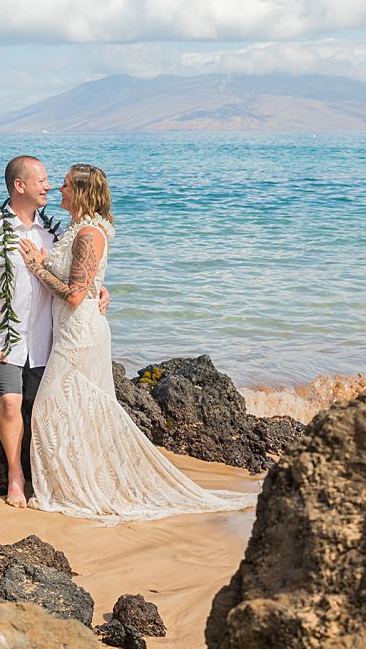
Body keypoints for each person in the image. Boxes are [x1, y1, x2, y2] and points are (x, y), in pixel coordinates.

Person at [17, 163, 258, 523]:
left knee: (53, 406)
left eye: (65, 185)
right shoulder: (76, 229)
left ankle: (80, 486)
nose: (57, 190)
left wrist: (38, 267)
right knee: (72, 408)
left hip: (80, 333)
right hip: (70, 330)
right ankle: (76, 481)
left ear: (81, 192)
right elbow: (87, 283)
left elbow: (74, 295)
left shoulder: (89, 235)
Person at [0, 156, 109, 508]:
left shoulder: (55, 232)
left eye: (52, 181)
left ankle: (52, 478)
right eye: (40, 180)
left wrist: (98, 289)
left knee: (48, 411)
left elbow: (78, 275)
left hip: (50, 341)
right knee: (10, 403)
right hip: (5, 339)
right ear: (19, 186)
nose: (49, 186)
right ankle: (15, 475)